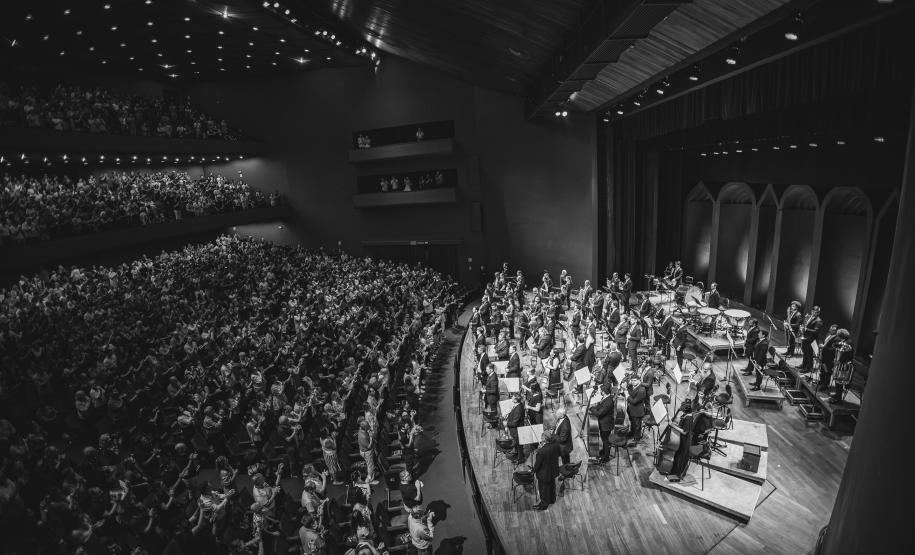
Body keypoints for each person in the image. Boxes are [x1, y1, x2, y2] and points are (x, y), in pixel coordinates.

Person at [531, 431, 561, 511]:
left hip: (544, 473)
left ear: (544, 439)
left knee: (543, 490)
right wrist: (543, 447)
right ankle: (552, 500)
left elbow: (537, 464)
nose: (541, 439)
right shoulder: (555, 445)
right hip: (553, 470)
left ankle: (543, 505)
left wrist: (533, 471)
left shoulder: (541, 451)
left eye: (542, 437)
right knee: (551, 486)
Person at [588, 383, 616, 463]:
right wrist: (594, 407)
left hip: (606, 425)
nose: (599, 392)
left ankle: (606, 457)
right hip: (604, 423)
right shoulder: (605, 397)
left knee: (606, 441)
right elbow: (600, 406)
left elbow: (599, 413)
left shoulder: (608, 402)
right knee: (604, 439)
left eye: (600, 390)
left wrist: (591, 408)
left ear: (603, 392)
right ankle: (603, 452)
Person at [830, 329, 855, 403]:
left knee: (840, 381)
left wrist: (838, 361)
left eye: (838, 336)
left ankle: (838, 399)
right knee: (837, 380)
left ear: (841, 336)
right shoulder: (844, 341)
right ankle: (837, 394)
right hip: (841, 364)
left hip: (844, 365)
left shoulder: (848, 343)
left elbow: (845, 354)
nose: (838, 337)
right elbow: (837, 345)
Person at [800, 306, 823, 371]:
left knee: (809, 354)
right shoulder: (809, 317)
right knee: (804, 352)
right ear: (811, 311)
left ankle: (808, 367)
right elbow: (806, 324)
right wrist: (802, 328)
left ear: (818, 313)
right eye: (813, 311)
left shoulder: (819, 321)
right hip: (805, 337)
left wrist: (806, 329)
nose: (814, 313)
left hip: (811, 339)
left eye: (816, 312)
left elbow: (816, 331)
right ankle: (804, 365)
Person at [627, 374, 649, 444]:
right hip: (632, 409)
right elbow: (631, 393)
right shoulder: (632, 386)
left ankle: (636, 438)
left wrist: (627, 396)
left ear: (639, 380)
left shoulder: (641, 390)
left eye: (635, 380)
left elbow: (634, 401)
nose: (633, 382)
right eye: (632, 380)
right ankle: (632, 433)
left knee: (637, 425)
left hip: (637, 411)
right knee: (632, 423)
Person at [504, 393, 525, 461]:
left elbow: (514, 423)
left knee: (519, 445)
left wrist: (506, 423)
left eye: (512, 398)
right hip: (516, 430)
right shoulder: (519, 405)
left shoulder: (518, 409)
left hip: (516, 431)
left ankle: (520, 459)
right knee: (517, 444)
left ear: (515, 400)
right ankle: (518, 454)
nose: (511, 399)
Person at [819, 324, 840, 390]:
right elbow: (824, 342)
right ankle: (821, 381)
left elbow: (834, 349)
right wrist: (822, 344)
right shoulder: (828, 335)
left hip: (829, 358)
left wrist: (824, 347)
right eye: (830, 329)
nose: (830, 330)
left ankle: (825, 385)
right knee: (822, 370)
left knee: (827, 371)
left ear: (836, 331)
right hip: (823, 355)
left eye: (832, 330)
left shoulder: (837, 338)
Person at [357, 420, 378, 485]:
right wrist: (371, 437)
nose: (369, 427)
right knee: (370, 466)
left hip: (365, 451)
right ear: (365, 427)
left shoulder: (361, 430)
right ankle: (369, 480)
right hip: (367, 452)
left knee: (370, 465)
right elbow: (368, 446)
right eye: (367, 426)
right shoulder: (363, 436)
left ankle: (371, 475)